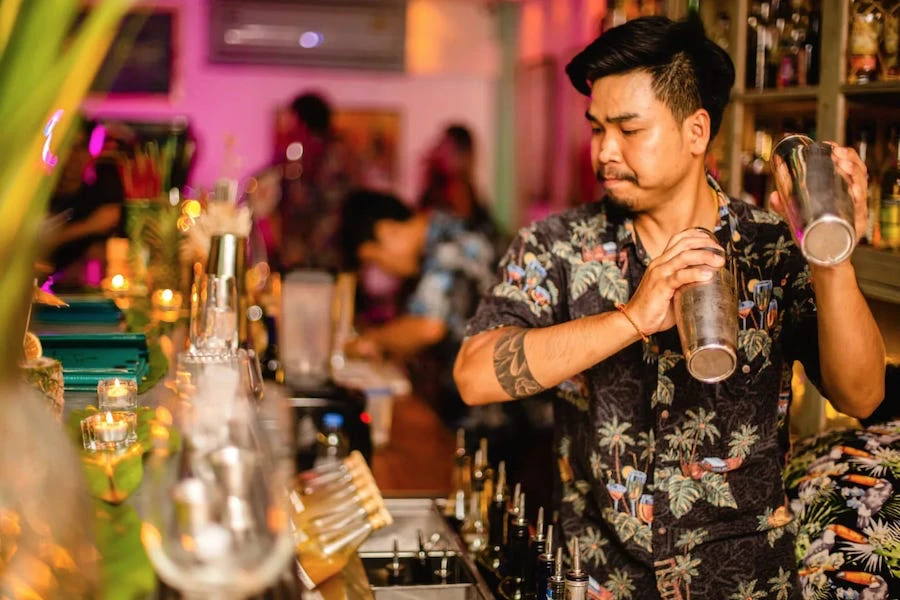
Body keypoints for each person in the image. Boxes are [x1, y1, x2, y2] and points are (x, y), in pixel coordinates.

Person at [454, 16, 885, 599]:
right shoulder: (558, 245)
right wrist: (630, 318)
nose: (605, 150)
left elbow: (862, 395)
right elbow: (474, 376)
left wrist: (832, 259)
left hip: (745, 581)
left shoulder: (770, 245)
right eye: (597, 129)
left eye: (628, 129)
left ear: (695, 130)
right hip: (594, 578)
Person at [275, 91, 357, 271]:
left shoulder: (332, 153)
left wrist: (306, 249)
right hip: (308, 255)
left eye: (293, 118)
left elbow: (333, 209)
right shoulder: (305, 152)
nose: (290, 125)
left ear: (303, 121)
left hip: (324, 258)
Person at [47, 119, 125, 275]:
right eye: (66, 147)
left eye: (80, 147)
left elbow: (112, 219)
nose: (72, 155)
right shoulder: (41, 197)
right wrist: (89, 226)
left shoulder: (101, 191)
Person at [420, 124, 504, 252]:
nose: (442, 154)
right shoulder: (435, 193)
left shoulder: (469, 192)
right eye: (443, 147)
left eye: (451, 149)